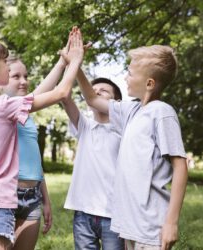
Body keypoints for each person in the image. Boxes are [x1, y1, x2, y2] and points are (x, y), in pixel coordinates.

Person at [0, 28, 83, 250]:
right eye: (4, 64)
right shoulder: (3, 106)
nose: (7, 67)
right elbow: (60, 92)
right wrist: (75, 60)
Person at [75, 45, 188, 250]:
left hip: (151, 226)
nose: (126, 77)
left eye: (130, 73)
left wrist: (171, 222)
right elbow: (92, 99)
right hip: (130, 225)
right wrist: (76, 63)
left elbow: (180, 165)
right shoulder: (131, 111)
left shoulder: (162, 112)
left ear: (149, 83)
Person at [0, 53, 68, 250]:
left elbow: (34, 160)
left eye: (26, 76)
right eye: (16, 77)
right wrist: (64, 63)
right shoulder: (1, 109)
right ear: (0, 82)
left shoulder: (26, 115)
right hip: (7, 194)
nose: (24, 82)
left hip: (32, 196)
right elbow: (44, 92)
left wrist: (45, 199)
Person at [62, 76, 125, 250]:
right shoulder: (84, 126)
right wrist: (72, 63)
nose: (95, 93)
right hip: (83, 214)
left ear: (116, 102)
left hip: (114, 215)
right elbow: (64, 97)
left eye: (103, 91)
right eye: (92, 90)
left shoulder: (124, 130)